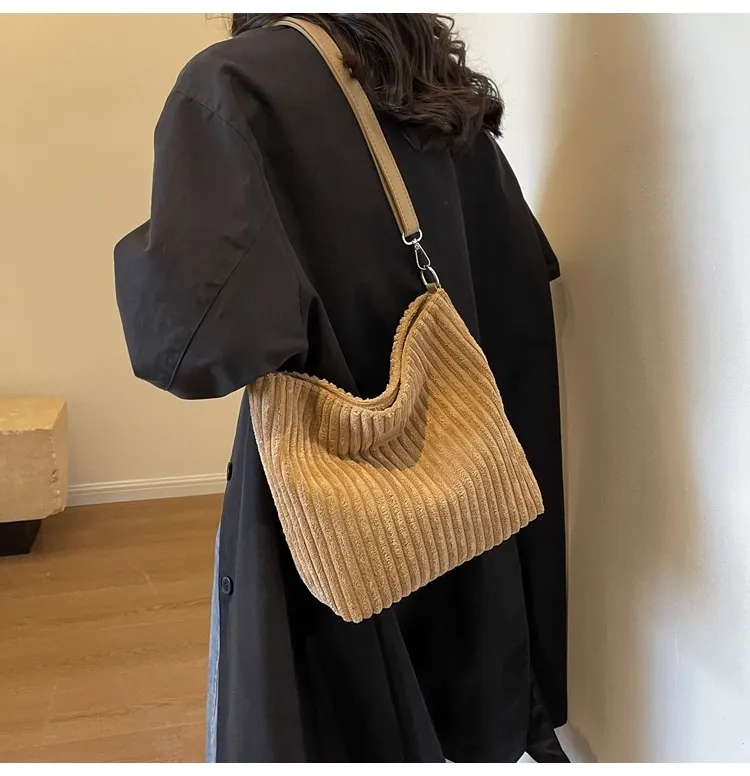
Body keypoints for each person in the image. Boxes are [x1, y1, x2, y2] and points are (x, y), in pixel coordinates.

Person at [115, 13, 567, 763]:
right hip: (468, 498)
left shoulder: (234, 83)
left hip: (330, 515)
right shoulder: (434, 83)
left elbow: (190, 344)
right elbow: (521, 275)